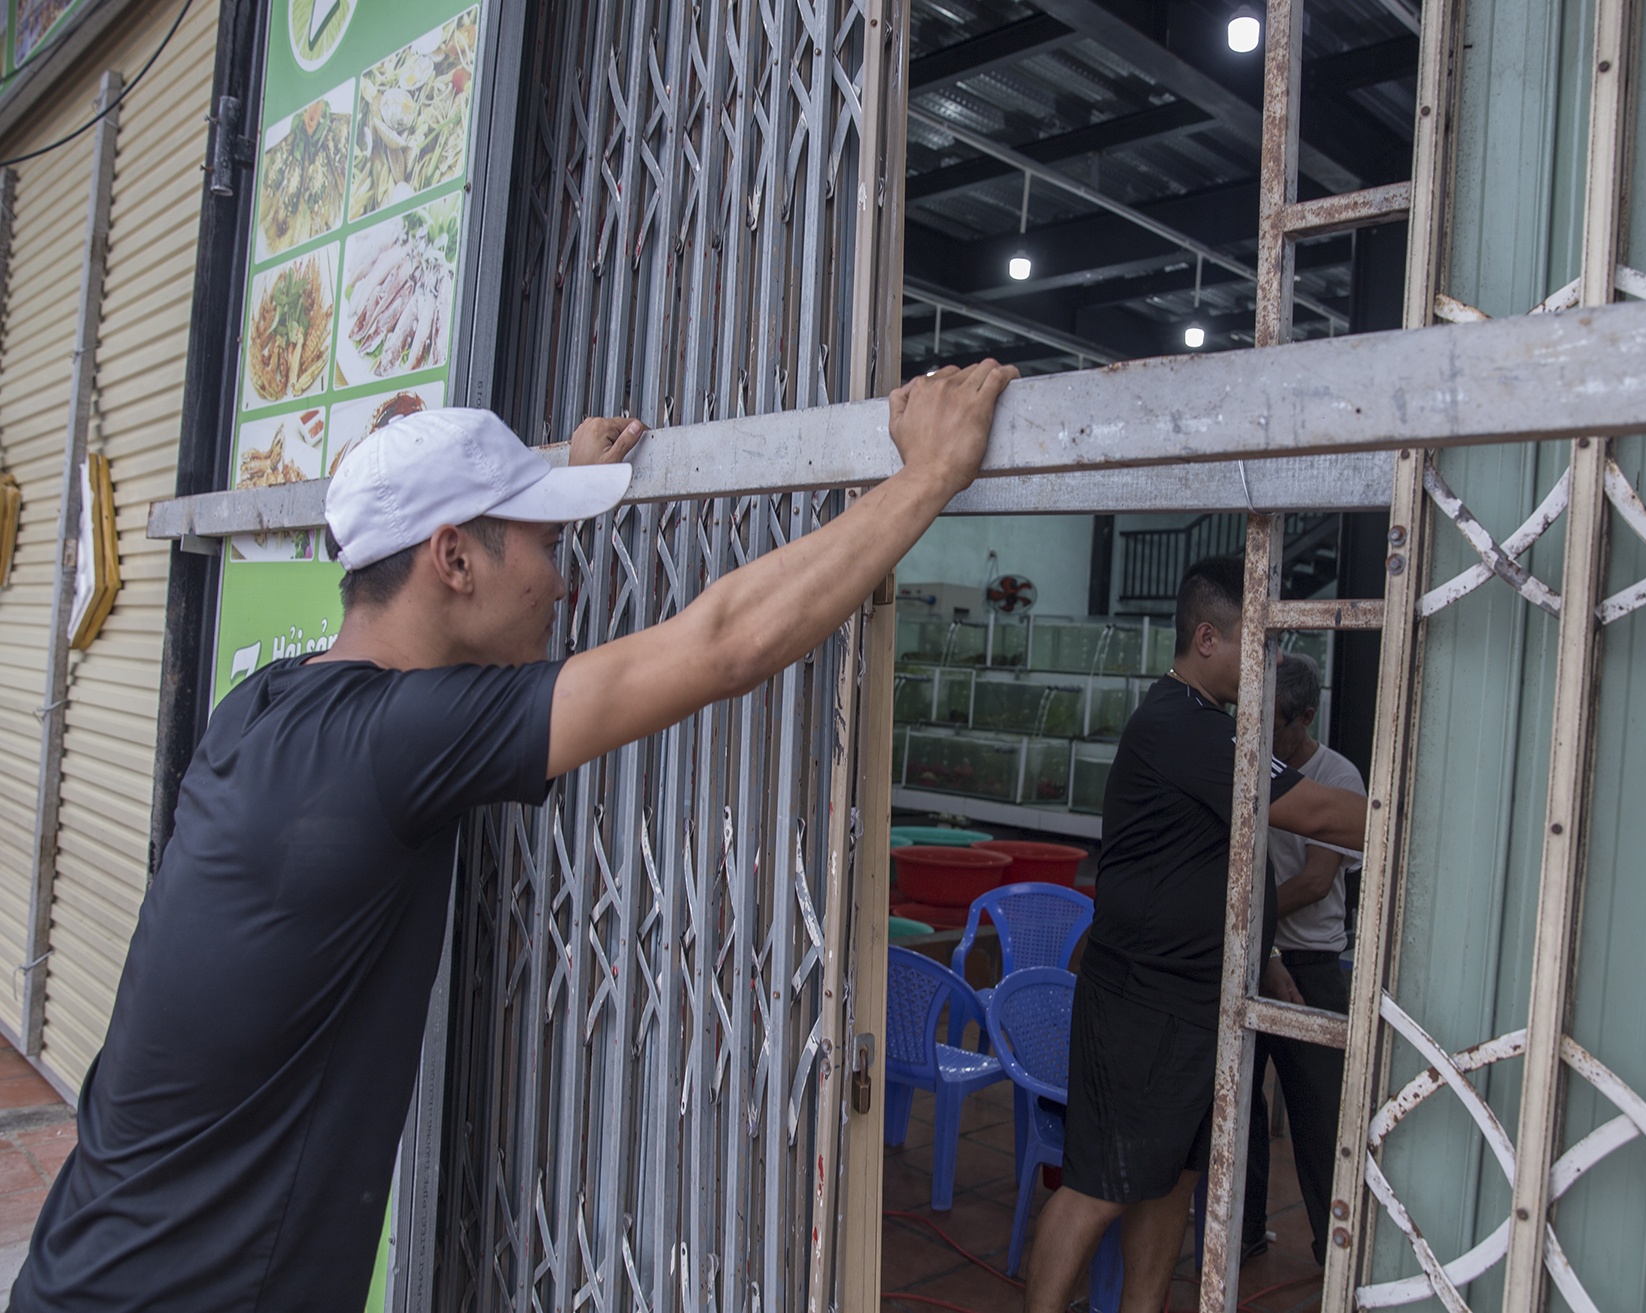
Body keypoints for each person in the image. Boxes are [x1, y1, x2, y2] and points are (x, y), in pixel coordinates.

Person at [10, 360, 1016, 1312]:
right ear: (451, 557)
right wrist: (929, 472)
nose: (564, 579)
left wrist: (548, 491)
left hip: (82, 1262)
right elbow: (721, 646)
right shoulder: (399, 744)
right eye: (540, 544)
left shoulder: (264, 706)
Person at [1023, 557, 1369, 1313]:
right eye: (1261, 641)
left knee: (1170, 1182)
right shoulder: (1178, 725)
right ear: (1208, 637)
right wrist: (1412, 817)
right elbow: (1312, 813)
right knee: (1099, 1187)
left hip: (1196, 1004)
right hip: (1140, 1003)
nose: (1270, 661)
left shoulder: (1216, 727)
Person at [1241, 652, 1366, 1267]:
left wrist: (1245, 916)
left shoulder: (1338, 778)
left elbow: (1317, 882)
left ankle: (1333, 1253)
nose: (1264, 738)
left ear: (1306, 717)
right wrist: (1252, 941)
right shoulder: (1248, 764)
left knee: (1321, 1120)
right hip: (1252, 954)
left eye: (1277, 726)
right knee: (1237, 1110)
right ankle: (1240, 1234)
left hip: (1309, 963)